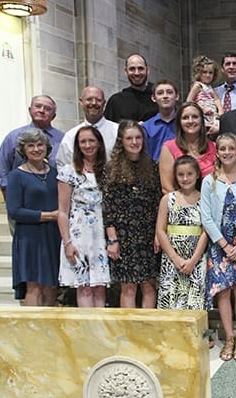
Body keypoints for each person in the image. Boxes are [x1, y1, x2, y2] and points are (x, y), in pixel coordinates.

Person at [201, 133, 236, 362]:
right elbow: (206, 217)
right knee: (223, 290)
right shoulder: (209, 181)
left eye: (230, 149)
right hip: (219, 245)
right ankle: (230, 337)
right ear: (218, 152)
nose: (226, 152)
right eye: (222, 149)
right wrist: (224, 245)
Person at [103, 120, 162, 308]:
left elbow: (157, 202)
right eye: (129, 138)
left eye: (138, 138)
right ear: (121, 141)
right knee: (128, 286)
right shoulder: (111, 168)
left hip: (147, 233)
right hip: (123, 235)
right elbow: (108, 207)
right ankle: (129, 333)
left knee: (149, 284)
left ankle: (147, 330)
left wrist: (158, 235)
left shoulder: (152, 166)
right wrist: (112, 239)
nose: (134, 142)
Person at [57, 126, 110, 307]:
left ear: (99, 143)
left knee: (100, 285)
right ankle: (87, 332)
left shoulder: (108, 170)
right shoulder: (69, 171)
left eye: (91, 141)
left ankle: (101, 332)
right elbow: (63, 211)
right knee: (85, 286)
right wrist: (67, 242)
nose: (88, 145)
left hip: (102, 234)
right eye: (83, 142)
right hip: (79, 234)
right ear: (78, 146)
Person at [7, 128, 60, 306]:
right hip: (30, 237)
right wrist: (48, 216)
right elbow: (14, 211)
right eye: (31, 146)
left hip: (53, 235)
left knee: (51, 285)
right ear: (23, 150)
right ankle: (33, 330)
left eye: (40, 145)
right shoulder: (16, 176)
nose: (36, 149)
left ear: (47, 147)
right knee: (34, 285)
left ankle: (49, 330)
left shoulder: (55, 172)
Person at [156, 155, 208, 310]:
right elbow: (160, 230)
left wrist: (193, 260)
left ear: (197, 174)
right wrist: (175, 258)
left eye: (189, 174)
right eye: (181, 175)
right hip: (172, 260)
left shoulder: (204, 199)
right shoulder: (168, 199)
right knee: (170, 302)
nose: (185, 178)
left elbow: (205, 232)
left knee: (194, 303)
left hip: (196, 260)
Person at [0, 95, 64, 199]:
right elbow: (1, 169)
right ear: (30, 110)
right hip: (21, 199)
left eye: (48, 109)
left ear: (54, 115)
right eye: (38, 106)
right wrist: (11, 197)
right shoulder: (13, 137)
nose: (42, 110)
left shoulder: (63, 139)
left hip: (55, 198)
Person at [159, 102, 216, 194]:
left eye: (195, 117)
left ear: (202, 120)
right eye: (185, 118)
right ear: (179, 122)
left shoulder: (214, 147)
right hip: (181, 205)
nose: (190, 121)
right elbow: (167, 188)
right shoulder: (168, 148)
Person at [57, 86, 118, 168]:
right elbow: (63, 166)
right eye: (89, 99)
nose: (93, 103)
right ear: (81, 101)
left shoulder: (118, 131)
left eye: (98, 100)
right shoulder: (71, 136)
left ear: (104, 103)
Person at [104, 53, 158, 122]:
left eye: (140, 68)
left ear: (147, 70)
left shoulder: (159, 98)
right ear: (126, 71)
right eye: (132, 69)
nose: (136, 73)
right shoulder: (116, 101)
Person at [142, 79, 179, 161]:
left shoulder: (185, 124)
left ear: (177, 96)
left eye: (169, 92)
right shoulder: (146, 127)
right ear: (154, 98)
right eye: (160, 93)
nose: (165, 96)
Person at [186, 55, 223, 136]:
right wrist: (202, 109)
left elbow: (216, 99)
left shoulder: (210, 88)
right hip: (202, 113)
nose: (208, 75)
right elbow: (189, 101)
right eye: (204, 72)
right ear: (199, 73)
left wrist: (220, 110)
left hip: (212, 114)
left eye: (210, 73)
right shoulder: (198, 85)